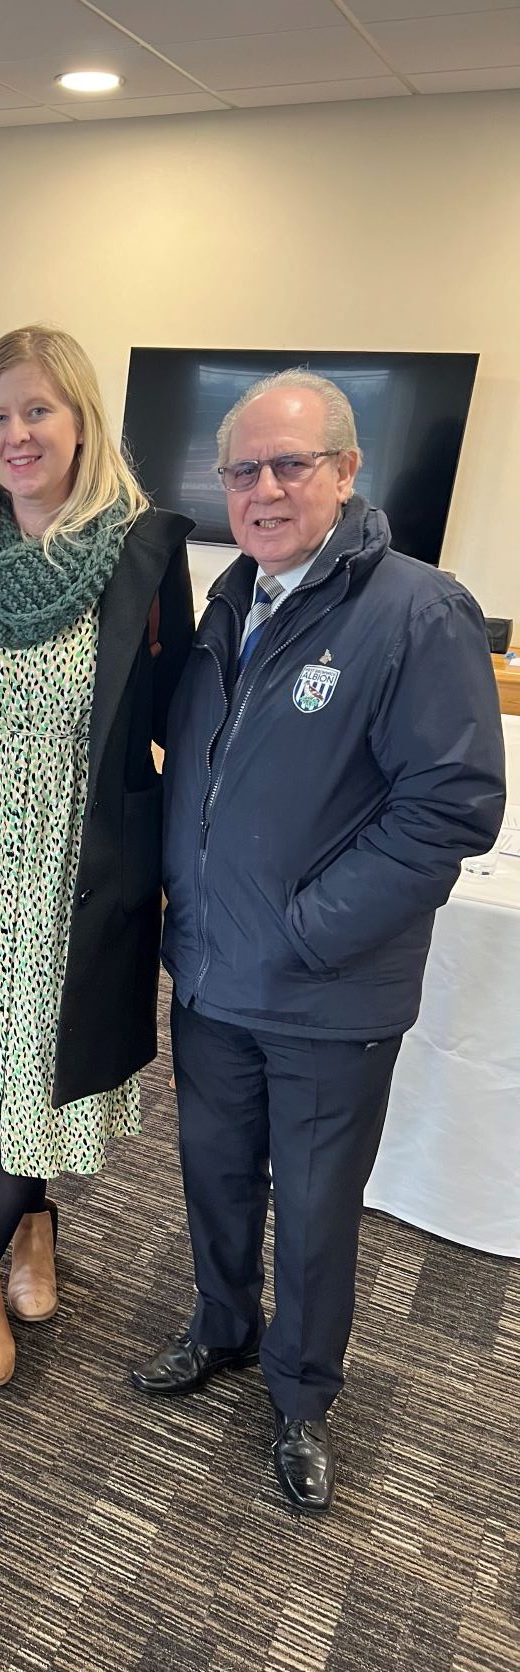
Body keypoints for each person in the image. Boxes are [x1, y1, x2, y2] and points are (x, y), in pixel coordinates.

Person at [131, 369, 506, 1514]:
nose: (263, 488)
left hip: (324, 994)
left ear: (347, 472)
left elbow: (449, 809)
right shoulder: (225, 606)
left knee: (318, 1203)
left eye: (292, 464)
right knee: (213, 1178)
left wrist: (301, 930)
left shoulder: (416, 610)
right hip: (207, 975)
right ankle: (223, 1327)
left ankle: (301, 1396)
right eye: (242, 469)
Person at [0, 325, 194, 1389]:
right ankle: (34, 1225)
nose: (16, 433)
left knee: (37, 1077)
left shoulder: (143, 555)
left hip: (80, 869)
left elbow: (170, 725)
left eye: (39, 410)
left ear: (81, 422)